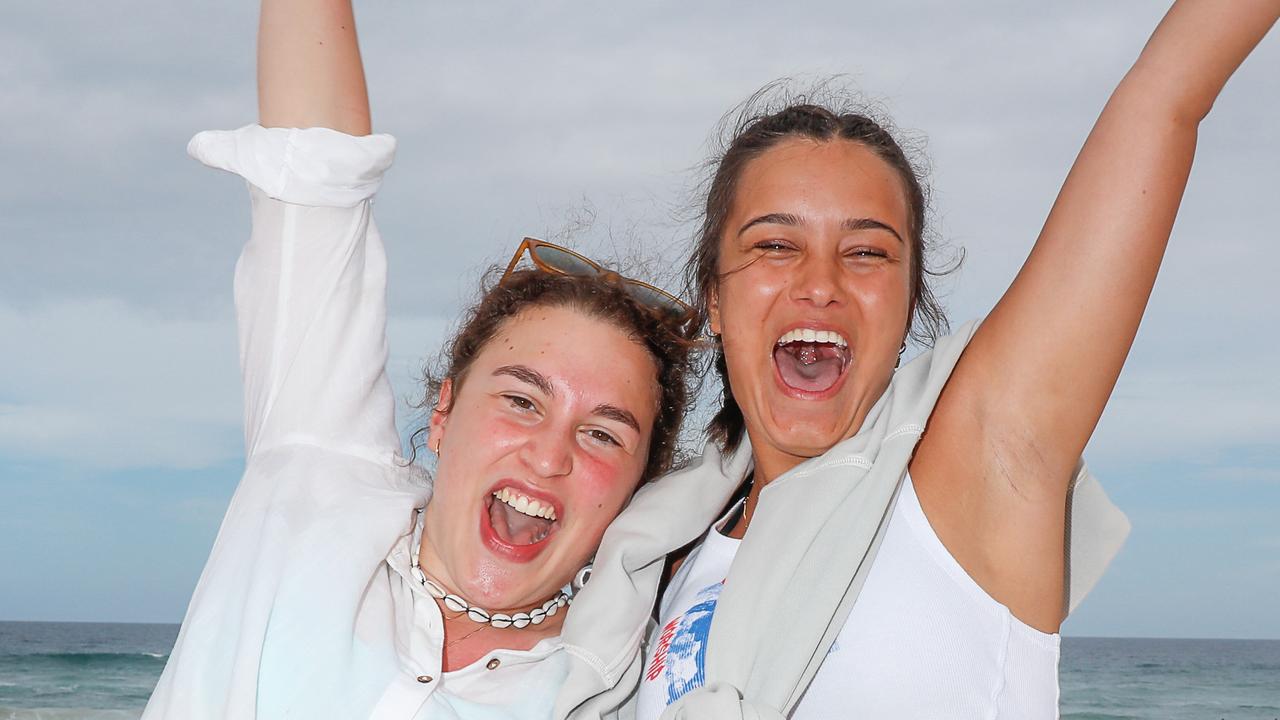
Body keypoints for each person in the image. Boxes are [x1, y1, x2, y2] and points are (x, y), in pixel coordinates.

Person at [630, 1, 1280, 718]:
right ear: (714, 301)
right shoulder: (659, 561)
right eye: (775, 245)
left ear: (910, 303)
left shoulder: (969, 477)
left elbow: (1168, 94)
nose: (820, 285)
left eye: (868, 252)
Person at [140, 0, 701, 717]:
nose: (548, 454)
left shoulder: (627, 690)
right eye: (523, 400)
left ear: (636, 488)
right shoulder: (315, 484)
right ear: (442, 413)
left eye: (602, 433)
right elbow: (316, 173)